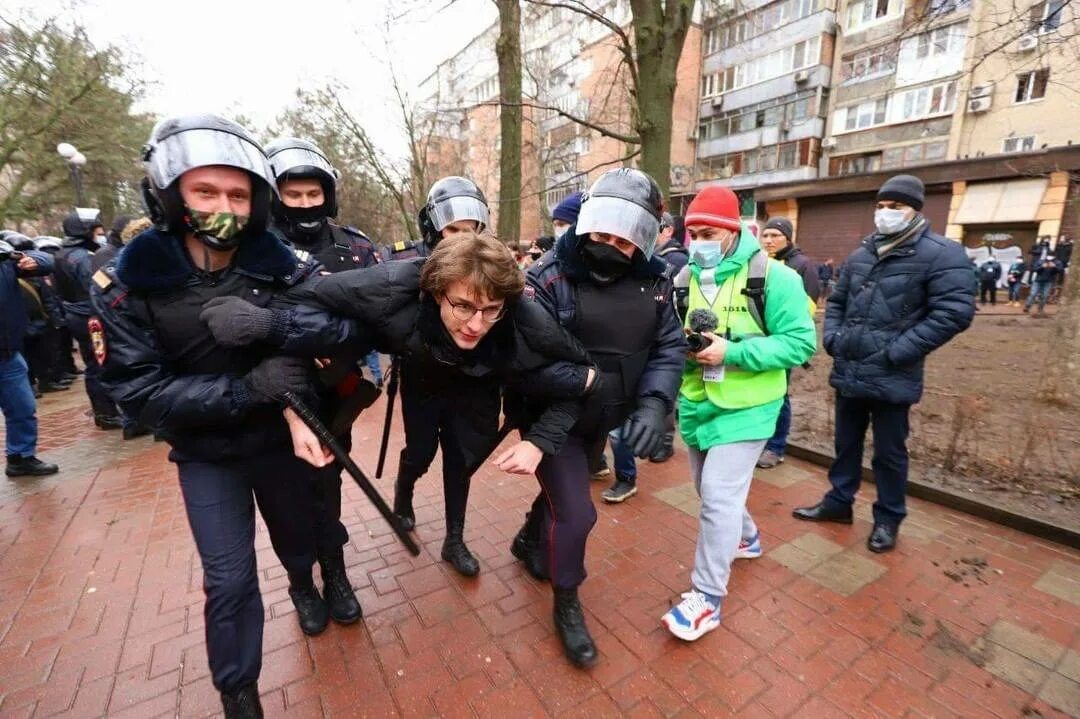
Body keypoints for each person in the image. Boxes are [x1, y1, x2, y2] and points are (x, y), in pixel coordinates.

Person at [90, 114, 356, 718]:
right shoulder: (128, 282)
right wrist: (246, 389)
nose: (223, 207)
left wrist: (274, 326)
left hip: (281, 443)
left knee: (300, 542)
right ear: (169, 193)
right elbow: (138, 391)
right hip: (207, 454)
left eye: (237, 194)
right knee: (229, 581)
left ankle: (302, 583)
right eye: (204, 191)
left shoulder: (278, 261)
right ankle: (239, 692)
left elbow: (337, 323)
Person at [205, 230, 598, 590]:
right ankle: (404, 491)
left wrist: (540, 437)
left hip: (474, 392)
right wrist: (281, 330)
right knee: (421, 453)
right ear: (435, 289)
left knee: (462, 463)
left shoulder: (522, 320)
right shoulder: (390, 286)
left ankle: (454, 540)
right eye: (462, 306)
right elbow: (303, 299)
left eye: (490, 309)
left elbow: (584, 376)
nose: (477, 324)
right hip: (422, 385)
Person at [522, 168, 686, 665]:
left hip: (604, 418)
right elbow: (532, 361)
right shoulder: (547, 276)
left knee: (558, 496)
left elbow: (668, 347)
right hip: (553, 421)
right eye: (598, 232)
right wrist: (598, 386)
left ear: (643, 237)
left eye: (622, 237)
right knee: (578, 512)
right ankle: (567, 599)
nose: (607, 245)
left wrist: (656, 404)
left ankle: (528, 536)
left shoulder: (658, 282)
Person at [658, 187, 816, 642]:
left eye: (708, 233)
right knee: (709, 491)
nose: (698, 243)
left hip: (749, 406)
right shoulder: (684, 279)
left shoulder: (778, 279)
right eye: (693, 234)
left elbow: (802, 345)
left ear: (731, 232)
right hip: (699, 402)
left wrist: (735, 351)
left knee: (717, 498)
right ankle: (746, 538)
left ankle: (706, 599)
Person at [793, 174, 975, 553]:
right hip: (850, 368)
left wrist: (898, 351)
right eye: (881, 206)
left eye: (895, 207)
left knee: (890, 453)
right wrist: (833, 337)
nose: (885, 213)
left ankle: (888, 518)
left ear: (915, 209)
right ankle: (838, 503)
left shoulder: (942, 254)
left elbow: (954, 313)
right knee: (845, 443)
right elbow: (838, 301)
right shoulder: (863, 253)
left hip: (894, 375)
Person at [263, 135, 380, 627]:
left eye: (314, 195)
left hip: (336, 395)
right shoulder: (256, 249)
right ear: (277, 196)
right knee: (284, 500)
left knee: (327, 487)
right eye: (294, 195)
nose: (306, 204)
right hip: (273, 399)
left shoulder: (355, 248)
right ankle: (300, 583)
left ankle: (336, 573)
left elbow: (379, 312)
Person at [756, 216, 819, 469]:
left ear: (788, 238)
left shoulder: (803, 266)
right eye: (766, 235)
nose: (769, 240)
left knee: (780, 394)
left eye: (775, 236)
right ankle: (760, 440)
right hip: (759, 341)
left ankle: (776, 447)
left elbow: (808, 307)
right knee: (761, 392)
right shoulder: (760, 264)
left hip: (782, 342)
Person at [55, 208, 124, 429]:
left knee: (94, 363)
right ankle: (106, 413)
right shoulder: (82, 258)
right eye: (97, 229)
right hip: (90, 317)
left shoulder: (62, 254)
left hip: (77, 315)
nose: (100, 233)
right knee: (99, 365)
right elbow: (97, 287)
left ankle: (103, 411)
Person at [1, 235, 60, 478]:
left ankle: (21, 457)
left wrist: (33, 260)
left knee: (23, 407)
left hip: (7, 354)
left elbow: (45, 259)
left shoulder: (4, 260)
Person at [382, 176, 489, 261]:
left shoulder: (487, 264)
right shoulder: (400, 258)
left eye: (468, 232)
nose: (460, 239)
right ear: (434, 229)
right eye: (453, 230)